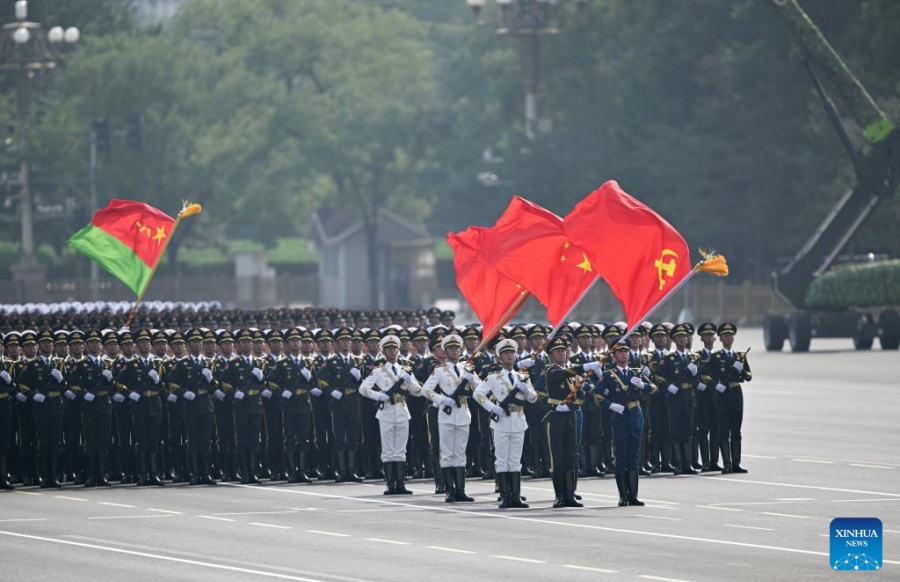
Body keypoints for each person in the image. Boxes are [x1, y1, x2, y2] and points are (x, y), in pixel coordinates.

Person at [473, 338, 537, 508]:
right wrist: (492, 407)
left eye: (512, 353)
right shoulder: (493, 377)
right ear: (499, 357)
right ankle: (504, 496)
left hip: (518, 420)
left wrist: (527, 390)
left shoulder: (522, 377)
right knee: (502, 460)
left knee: (515, 460)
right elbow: (477, 394)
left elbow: (533, 399)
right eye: (506, 353)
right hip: (501, 422)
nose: (510, 356)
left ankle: (515, 496)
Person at [358, 333, 422, 495]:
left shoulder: (405, 370)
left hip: (402, 411)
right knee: (388, 449)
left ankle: (400, 483)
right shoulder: (379, 371)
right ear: (384, 352)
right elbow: (363, 388)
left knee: (401, 449)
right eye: (389, 349)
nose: (393, 351)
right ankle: (390, 484)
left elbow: (417, 392)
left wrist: (410, 380)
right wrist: (378, 396)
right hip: (386, 411)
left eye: (395, 348)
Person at [541, 336, 601, 508]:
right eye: (557, 351)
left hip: (571, 417)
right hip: (556, 417)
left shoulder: (573, 375)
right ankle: (559, 496)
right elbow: (562, 374)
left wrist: (571, 407)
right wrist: (583, 367)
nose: (562, 353)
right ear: (551, 355)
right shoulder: (551, 370)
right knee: (557, 456)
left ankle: (570, 494)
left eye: (563, 350)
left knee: (571, 455)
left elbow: (581, 396)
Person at [595, 341, 654, 506]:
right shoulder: (608, 375)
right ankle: (623, 495)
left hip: (635, 415)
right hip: (620, 417)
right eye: (620, 352)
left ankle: (633, 495)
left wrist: (642, 385)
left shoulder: (636, 373)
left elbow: (654, 388)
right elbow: (596, 394)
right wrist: (611, 405)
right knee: (621, 456)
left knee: (634, 456)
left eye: (626, 351)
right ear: (614, 356)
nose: (624, 354)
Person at [422, 333, 476, 503]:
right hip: (446, 414)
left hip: (463, 412)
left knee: (460, 453)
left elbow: (481, 389)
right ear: (445, 351)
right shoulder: (439, 370)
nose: (454, 351)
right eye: (451, 348)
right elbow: (425, 390)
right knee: (447, 453)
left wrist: (473, 379)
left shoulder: (467, 369)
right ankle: (449, 490)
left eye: (457, 348)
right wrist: (441, 399)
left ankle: (461, 490)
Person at [114, 329, 165, 486]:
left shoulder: (157, 363)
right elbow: (118, 383)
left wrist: (158, 381)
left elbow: (165, 385)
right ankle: (143, 475)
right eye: (142, 342)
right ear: (137, 346)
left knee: (154, 441)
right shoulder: (131, 364)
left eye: (147, 342)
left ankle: (154, 474)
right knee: (141, 441)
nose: (146, 345)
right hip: (140, 405)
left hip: (154, 404)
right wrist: (129, 393)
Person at [653, 323, 700, 476]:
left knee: (688, 430)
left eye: (685, 336)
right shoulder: (669, 358)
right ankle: (678, 464)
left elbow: (697, 379)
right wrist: (668, 386)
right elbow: (657, 375)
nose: (683, 339)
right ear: (673, 340)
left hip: (688, 397)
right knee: (676, 431)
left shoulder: (692, 358)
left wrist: (695, 373)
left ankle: (688, 463)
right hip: (675, 398)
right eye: (679, 337)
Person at [712, 323, 751, 474]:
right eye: (725, 335)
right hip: (723, 394)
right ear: (720, 338)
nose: (729, 337)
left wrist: (742, 371)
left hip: (736, 393)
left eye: (731, 335)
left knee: (736, 430)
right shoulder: (716, 357)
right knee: (724, 430)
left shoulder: (739, 356)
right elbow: (705, 374)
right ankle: (727, 463)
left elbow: (749, 376)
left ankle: (736, 463)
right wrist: (716, 385)